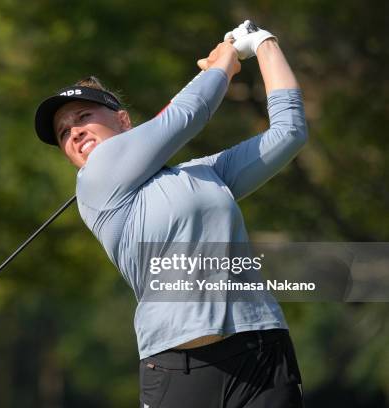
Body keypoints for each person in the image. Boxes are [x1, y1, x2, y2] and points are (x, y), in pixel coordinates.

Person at [34, 20, 307, 407]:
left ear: (123, 120)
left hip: (260, 352)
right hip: (178, 369)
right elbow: (189, 113)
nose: (73, 133)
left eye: (82, 117)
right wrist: (226, 59)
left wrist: (262, 43)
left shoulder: (204, 174)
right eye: (63, 133)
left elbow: (289, 132)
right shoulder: (94, 182)